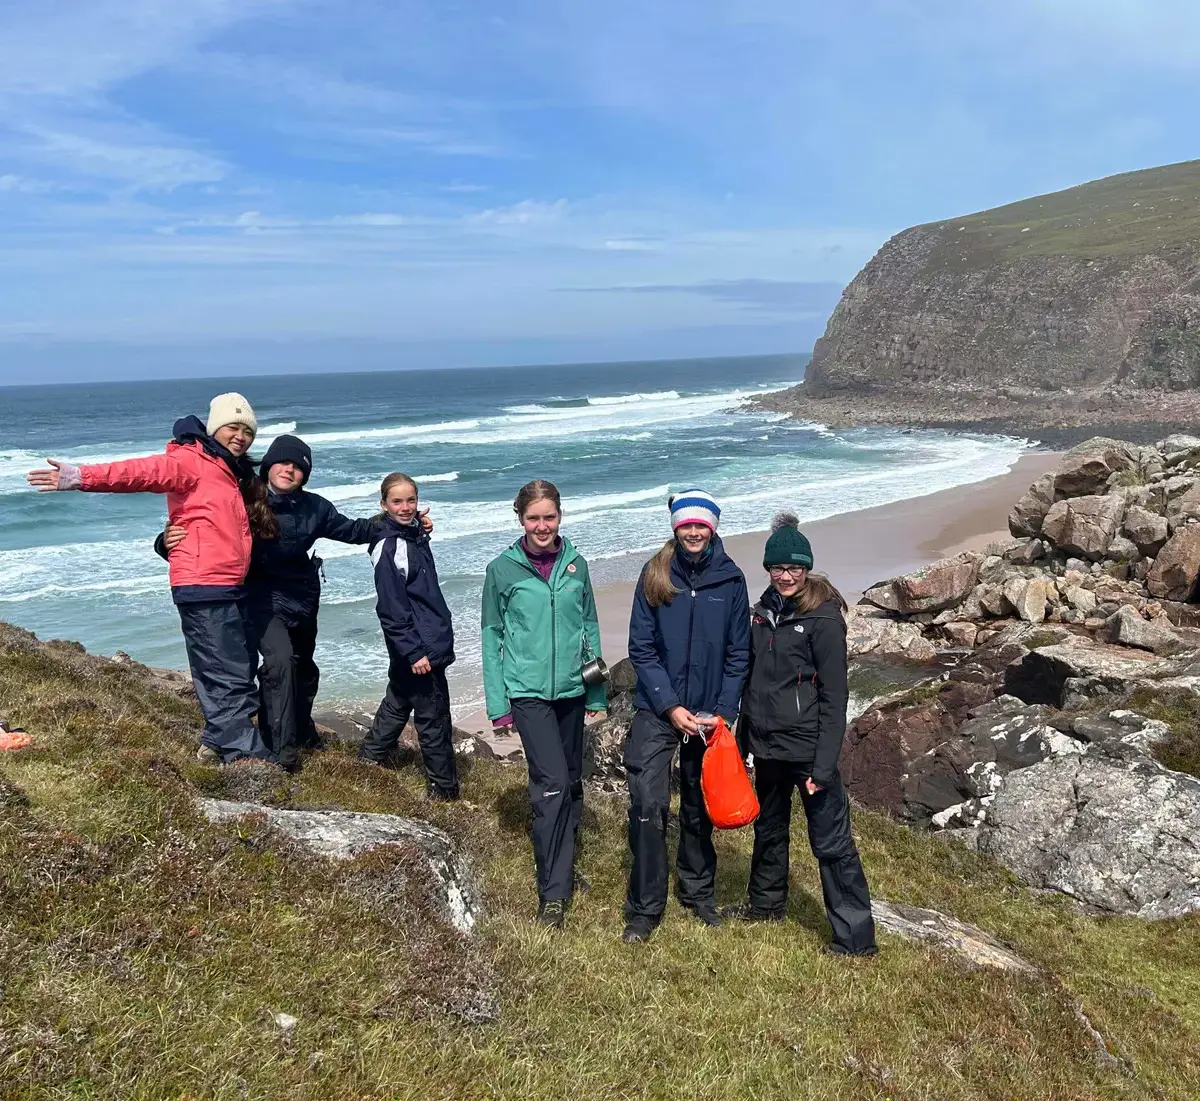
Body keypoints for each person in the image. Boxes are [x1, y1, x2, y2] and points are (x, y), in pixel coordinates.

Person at [27, 393, 279, 764]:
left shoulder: (228, 470)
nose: (240, 436)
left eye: (247, 431)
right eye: (232, 427)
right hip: (203, 583)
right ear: (214, 429)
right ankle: (247, 758)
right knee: (227, 672)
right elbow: (139, 472)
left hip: (226, 583)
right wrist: (81, 477)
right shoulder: (191, 461)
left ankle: (215, 741)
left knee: (230, 666)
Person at [160, 434, 390, 771]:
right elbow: (201, 527)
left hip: (303, 598)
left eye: (299, 467)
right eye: (284, 462)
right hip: (259, 599)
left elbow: (355, 531)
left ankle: (300, 730)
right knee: (279, 665)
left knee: (304, 671)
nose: (290, 470)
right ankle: (282, 757)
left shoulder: (315, 507)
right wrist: (165, 542)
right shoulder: (242, 497)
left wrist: (403, 523)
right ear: (269, 465)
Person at [724, 512, 877, 956]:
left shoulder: (824, 621)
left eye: (794, 568)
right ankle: (765, 906)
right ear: (768, 570)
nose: (786, 576)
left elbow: (835, 697)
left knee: (831, 844)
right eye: (778, 568)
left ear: (807, 570)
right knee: (768, 830)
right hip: (767, 748)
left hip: (810, 752)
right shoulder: (760, 615)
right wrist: (743, 742)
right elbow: (753, 682)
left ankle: (855, 940)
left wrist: (824, 765)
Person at [622, 490, 750, 944]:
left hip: (709, 714)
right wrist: (669, 705)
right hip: (659, 709)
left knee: (698, 806)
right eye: (685, 525)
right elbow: (641, 647)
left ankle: (698, 893)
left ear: (712, 528)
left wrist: (725, 711)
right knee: (647, 803)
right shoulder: (654, 574)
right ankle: (644, 907)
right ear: (675, 528)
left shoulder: (731, 580)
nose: (693, 532)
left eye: (701, 525)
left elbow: (739, 653)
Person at [480, 479, 607, 929]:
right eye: (533, 518)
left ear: (560, 517)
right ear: (520, 519)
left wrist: (595, 690)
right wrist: (499, 702)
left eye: (548, 517)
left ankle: (564, 867)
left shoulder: (577, 565)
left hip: (572, 692)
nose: (541, 526)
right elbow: (491, 635)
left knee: (572, 782)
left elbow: (589, 627)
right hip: (528, 693)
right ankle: (552, 892)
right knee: (551, 786)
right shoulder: (502, 570)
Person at [358, 473, 459, 802]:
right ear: (383, 504)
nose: (405, 507)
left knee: (400, 698)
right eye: (397, 501)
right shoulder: (391, 546)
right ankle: (443, 792)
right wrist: (414, 651)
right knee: (433, 715)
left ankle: (369, 760)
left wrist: (420, 527)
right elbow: (390, 607)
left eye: (411, 500)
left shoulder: (409, 533)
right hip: (419, 644)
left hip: (419, 639)